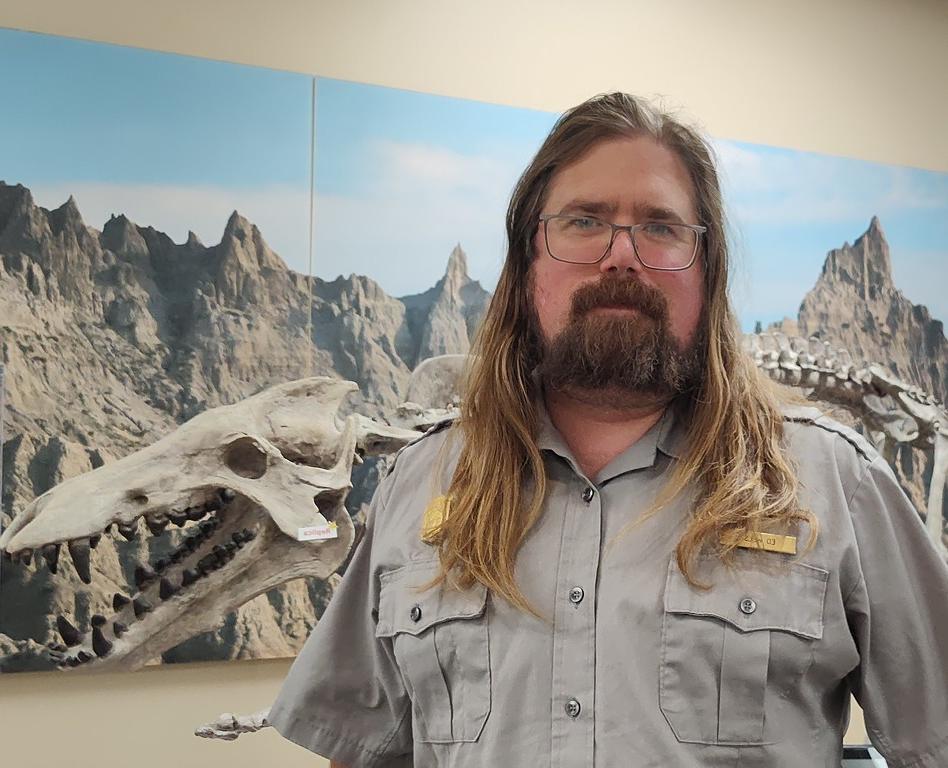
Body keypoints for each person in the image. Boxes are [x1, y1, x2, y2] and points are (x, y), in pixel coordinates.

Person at [269, 93, 948, 767]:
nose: (622, 255)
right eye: (584, 221)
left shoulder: (834, 481)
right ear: (528, 259)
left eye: (661, 228)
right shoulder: (418, 484)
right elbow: (364, 752)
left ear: (707, 274)